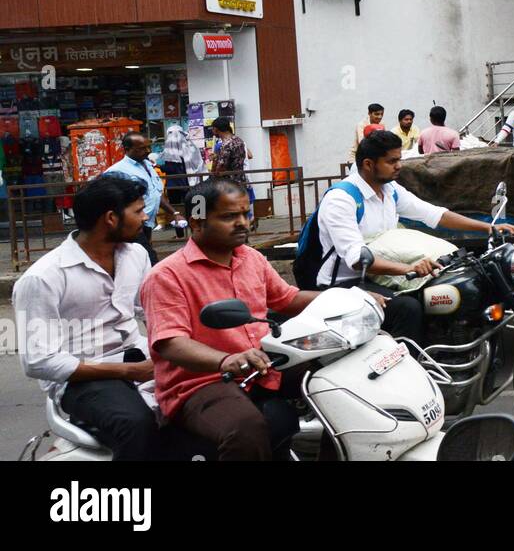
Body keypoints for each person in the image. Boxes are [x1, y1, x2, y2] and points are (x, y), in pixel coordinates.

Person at [142, 178, 337, 461]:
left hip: (261, 365)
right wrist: (225, 360)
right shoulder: (167, 276)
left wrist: (347, 296)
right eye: (229, 216)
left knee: (337, 380)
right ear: (196, 223)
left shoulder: (252, 258)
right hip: (201, 382)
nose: (243, 223)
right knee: (245, 428)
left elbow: (287, 299)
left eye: (245, 214)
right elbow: (171, 343)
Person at [315, 131, 514, 345]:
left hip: (383, 276)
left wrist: (488, 227)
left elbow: (433, 214)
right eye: (392, 161)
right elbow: (356, 259)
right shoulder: (342, 199)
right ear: (368, 164)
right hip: (346, 284)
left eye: (399, 159)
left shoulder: (389, 190)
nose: (399, 166)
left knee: (453, 288)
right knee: (408, 308)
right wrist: (409, 269)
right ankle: (411, 369)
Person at [13, 175, 161, 460]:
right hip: (83, 381)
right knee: (136, 425)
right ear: (110, 218)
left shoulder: (136, 254)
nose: (145, 217)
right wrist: (131, 371)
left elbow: (150, 310)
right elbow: (39, 361)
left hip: (141, 361)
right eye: (138, 211)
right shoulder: (43, 278)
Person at [103, 131, 180, 264]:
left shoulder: (147, 164)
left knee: (141, 261)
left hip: (147, 224)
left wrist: (174, 213)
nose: (148, 151)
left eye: (148, 147)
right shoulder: (117, 172)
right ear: (127, 150)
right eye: (142, 148)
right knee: (150, 261)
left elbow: (155, 193)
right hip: (130, 226)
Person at [211, 117, 256, 231]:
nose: (213, 131)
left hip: (228, 184)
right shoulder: (239, 141)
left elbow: (221, 167)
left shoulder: (226, 145)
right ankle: (245, 226)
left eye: (213, 129)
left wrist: (213, 175)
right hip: (241, 180)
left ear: (216, 129)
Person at [159, 124, 204, 239]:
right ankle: (197, 232)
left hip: (174, 185)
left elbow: (173, 168)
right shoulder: (191, 146)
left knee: (176, 209)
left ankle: (180, 234)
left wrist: (158, 166)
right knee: (194, 207)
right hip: (192, 182)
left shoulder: (171, 149)